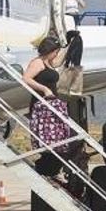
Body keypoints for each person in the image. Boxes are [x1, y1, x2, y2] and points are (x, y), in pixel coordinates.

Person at [22, 36, 72, 182]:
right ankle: (46, 169)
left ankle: (51, 170)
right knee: (51, 140)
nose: (56, 54)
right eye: (55, 51)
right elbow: (26, 78)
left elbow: (59, 60)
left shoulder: (49, 62)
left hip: (52, 106)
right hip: (42, 107)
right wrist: (44, 89)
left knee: (61, 140)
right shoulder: (38, 63)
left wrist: (70, 43)